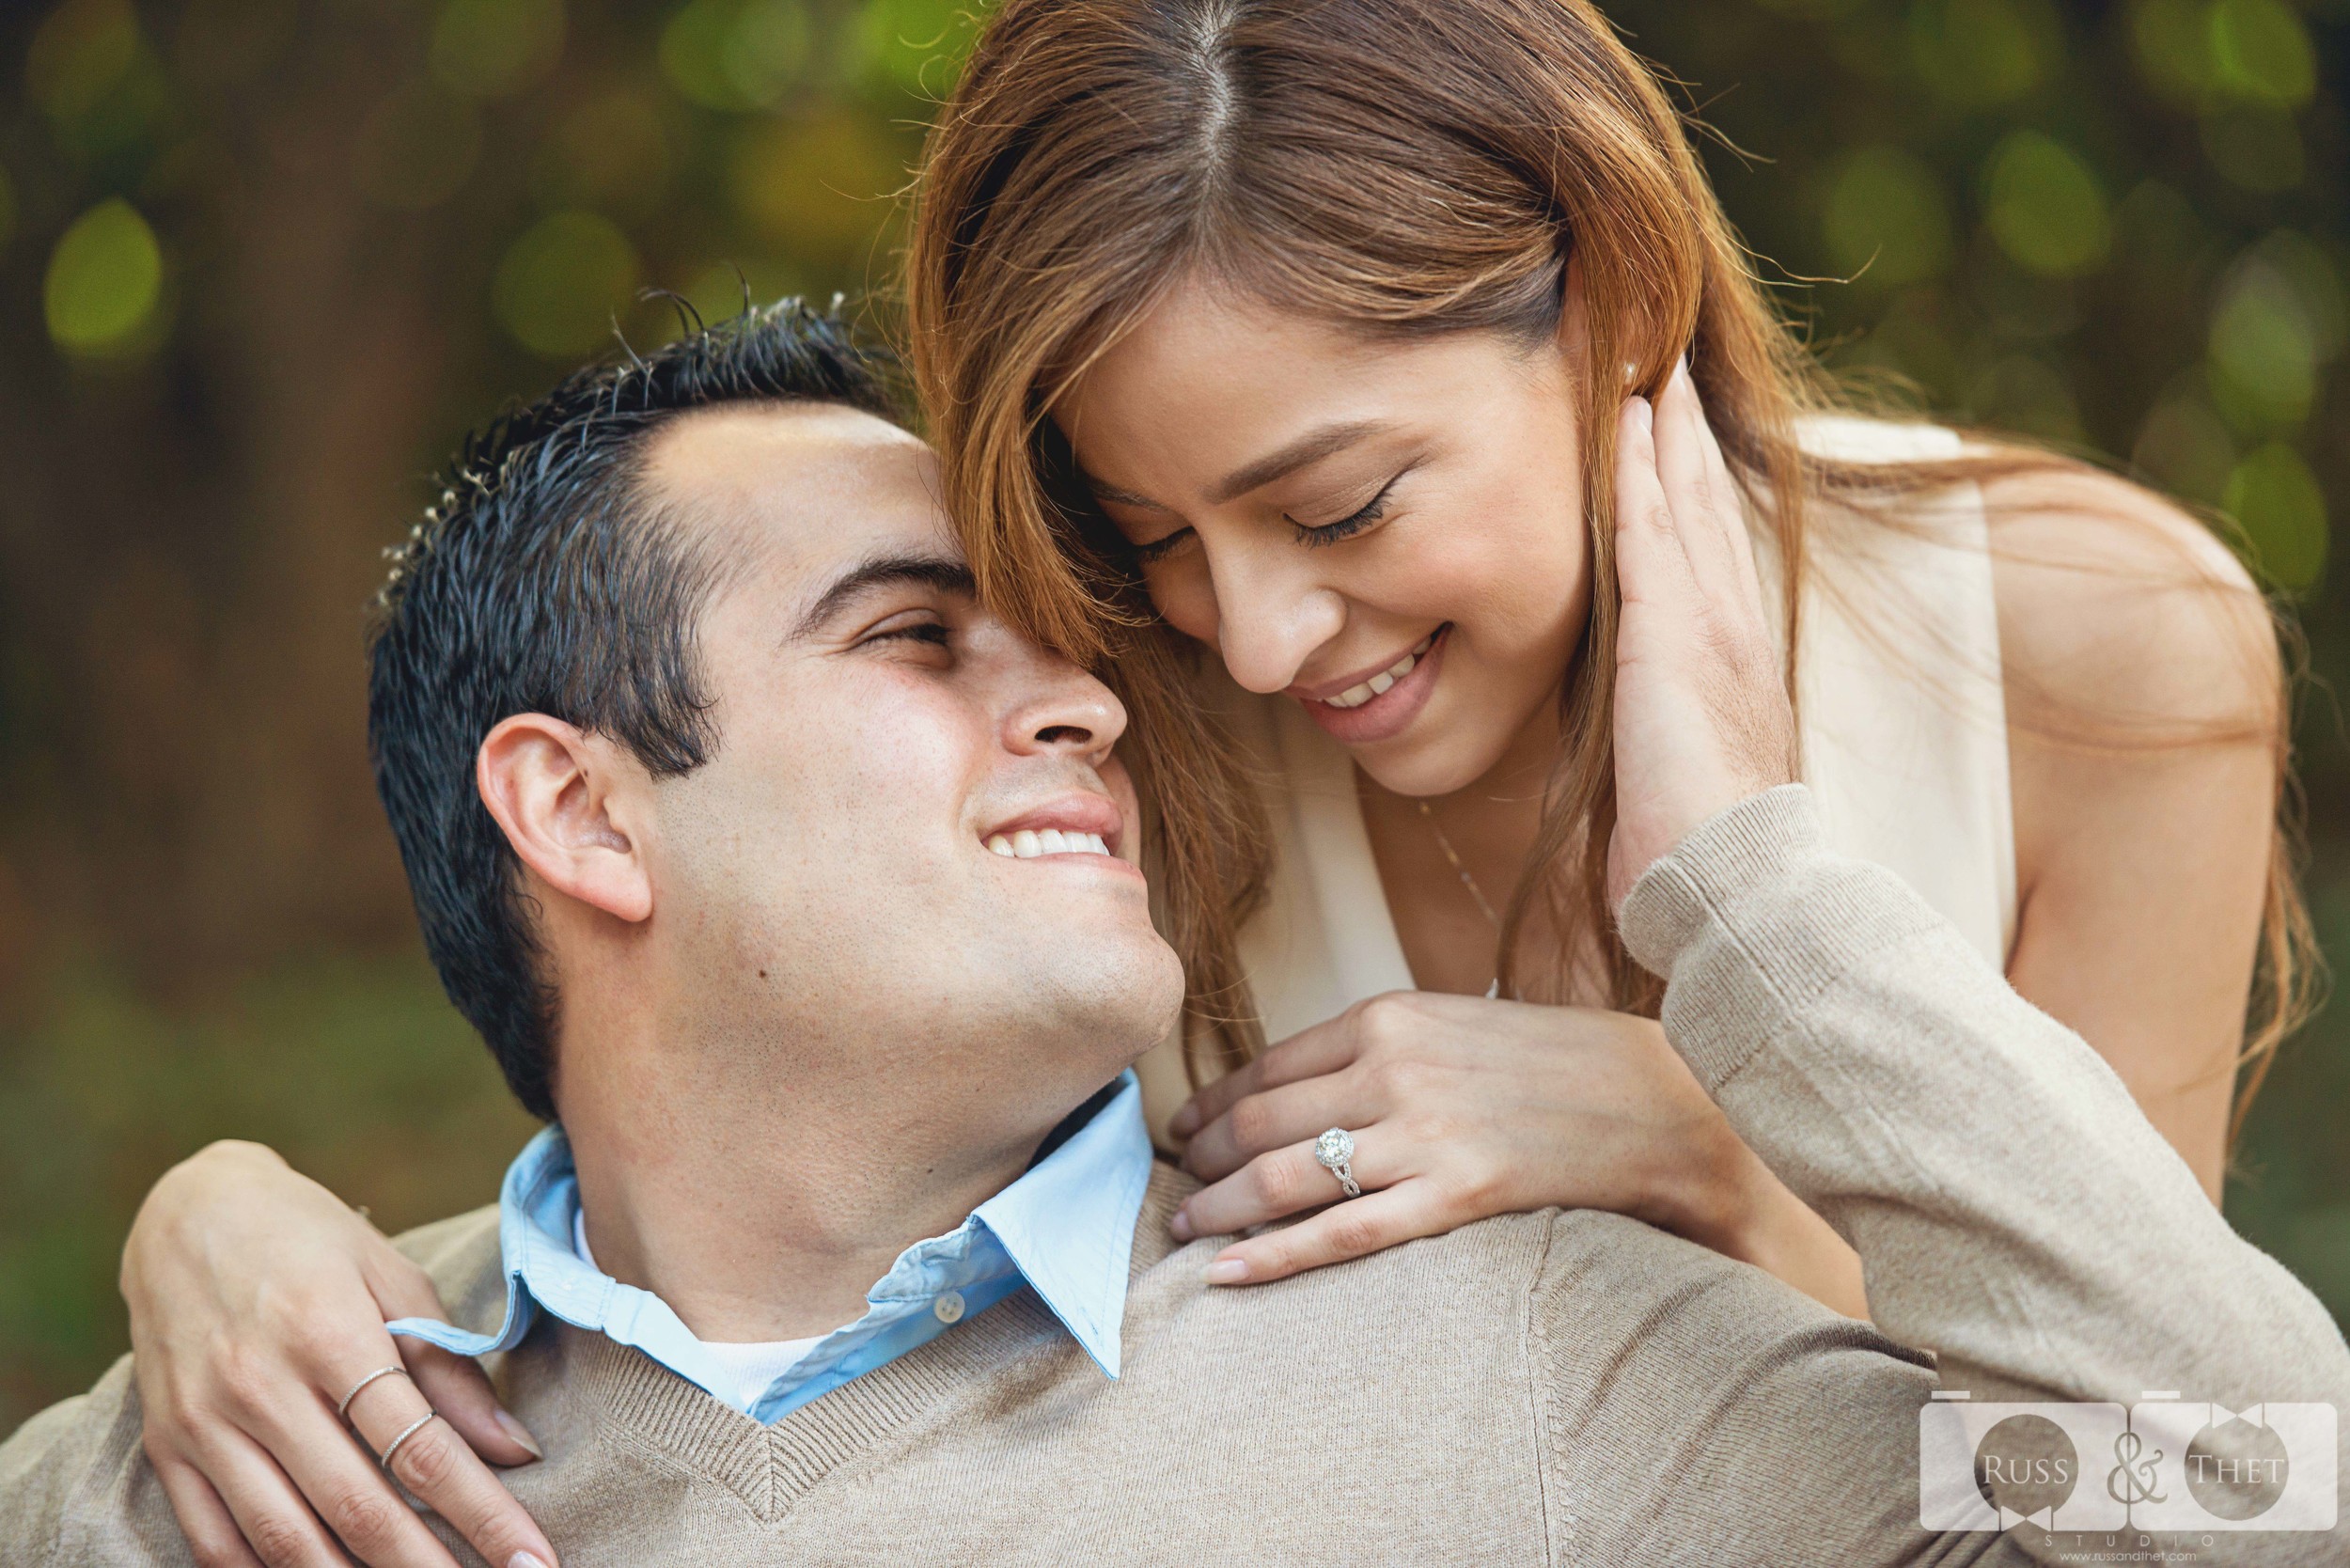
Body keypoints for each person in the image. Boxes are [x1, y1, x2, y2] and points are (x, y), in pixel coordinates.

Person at [118, 0, 2315, 1559]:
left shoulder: (2087, 662)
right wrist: (214, 1224)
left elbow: (2187, 1489)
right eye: (1150, 534)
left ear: (1617, 311)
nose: (1251, 640)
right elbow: (756, 1167)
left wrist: (1729, 1143)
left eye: (1341, 505)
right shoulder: (1125, 734)